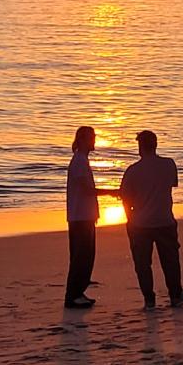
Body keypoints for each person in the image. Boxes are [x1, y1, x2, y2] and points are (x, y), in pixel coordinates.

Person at [119, 130, 183, 310]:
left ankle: (149, 300)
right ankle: (175, 294)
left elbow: (126, 198)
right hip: (164, 219)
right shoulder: (168, 164)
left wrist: (129, 220)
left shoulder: (133, 170)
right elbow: (171, 185)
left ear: (140, 147)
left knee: (143, 263)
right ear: (156, 145)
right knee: (170, 260)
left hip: (141, 222)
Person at [64, 125, 108, 309]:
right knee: (81, 256)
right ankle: (73, 295)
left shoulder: (81, 160)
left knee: (86, 256)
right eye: (91, 138)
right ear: (82, 140)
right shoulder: (79, 161)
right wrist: (111, 192)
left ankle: (78, 292)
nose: (94, 141)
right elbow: (86, 189)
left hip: (84, 215)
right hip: (80, 216)